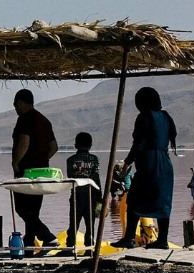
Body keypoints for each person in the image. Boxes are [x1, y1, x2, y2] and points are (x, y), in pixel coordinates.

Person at [112, 87, 178, 249]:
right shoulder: (166, 117)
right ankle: (162, 239)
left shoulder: (144, 117)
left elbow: (139, 144)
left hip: (149, 163)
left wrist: (127, 162)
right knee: (164, 202)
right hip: (165, 163)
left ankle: (129, 237)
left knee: (134, 200)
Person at [10, 88, 59, 248]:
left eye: (16, 105)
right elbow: (54, 147)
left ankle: (47, 236)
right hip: (42, 172)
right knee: (33, 210)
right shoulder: (44, 121)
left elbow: (24, 142)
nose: (15, 108)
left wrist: (16, 162)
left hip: (26, 171)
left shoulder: (25, 119)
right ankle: (29, 243)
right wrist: (42, 159)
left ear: (21, 102)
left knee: (21, 208)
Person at [65, 131, 101, 248]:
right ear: (90, 145)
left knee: (73, 224)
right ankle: (89, 248)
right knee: (90, 224)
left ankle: (70, 247)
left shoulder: (70, 160)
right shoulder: (94, 160)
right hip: (91, 196)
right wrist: (100, 197)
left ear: (75, 145)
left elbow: (71, 178)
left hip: (76, 196)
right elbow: (96, 179)